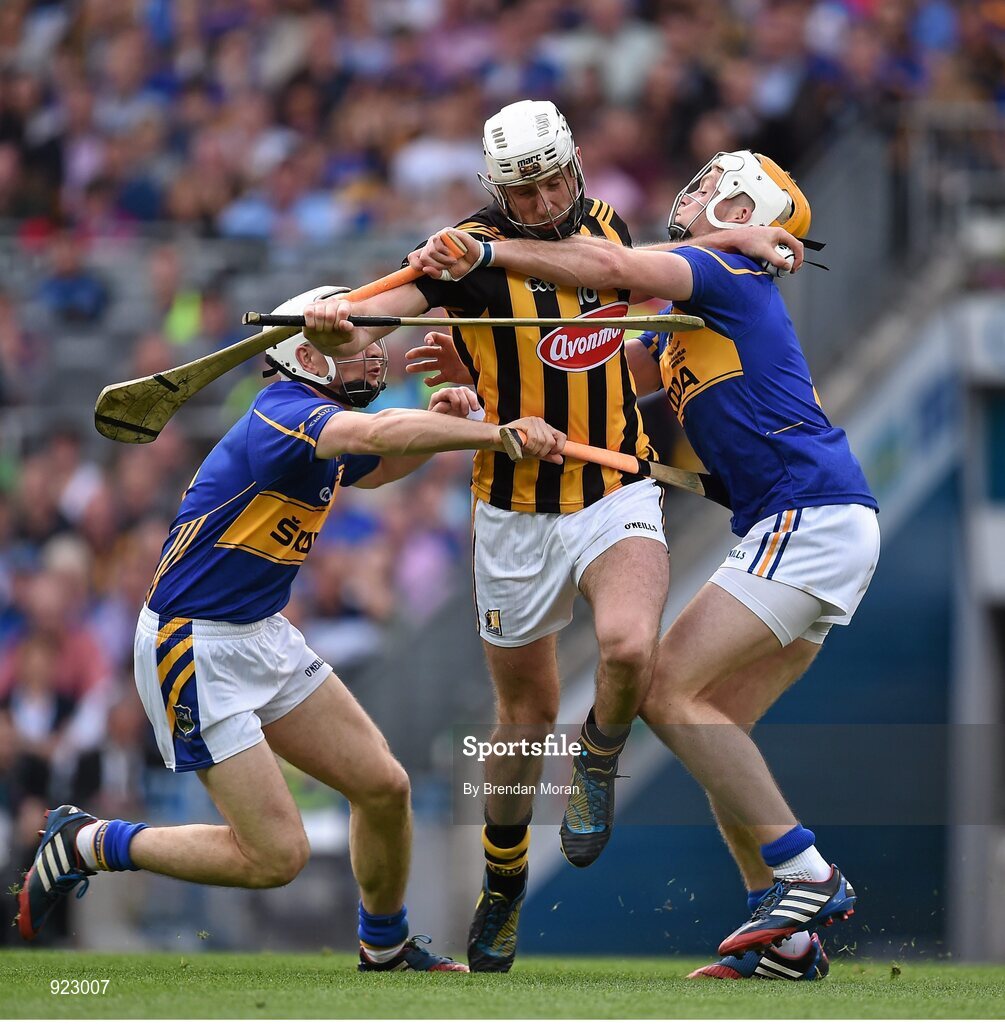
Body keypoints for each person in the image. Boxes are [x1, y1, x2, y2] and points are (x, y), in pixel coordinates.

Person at [302, 102, 798, 973]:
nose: (541, 205)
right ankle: (502, 881)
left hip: (612, 482)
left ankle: (598, 761)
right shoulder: (464, 248)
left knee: (627, 647)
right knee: (523, 717)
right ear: (496, 193)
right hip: (512, 509)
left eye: (553, 182)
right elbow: (395, 302)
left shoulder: (604, 222)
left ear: (574, 166)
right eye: (521, 194)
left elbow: (644, 276)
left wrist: (739, 244)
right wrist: (342, 321)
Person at [411, 150, 879, 983]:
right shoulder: (696, 316)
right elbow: (602, 397)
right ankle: (785, 942)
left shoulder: (714, 266)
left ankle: (806, 875)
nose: (691, 191)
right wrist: (487, 385)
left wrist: (489, 251)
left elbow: (609, 265)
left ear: (737, 209)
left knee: (663, 690)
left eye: (713, 186)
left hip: (808, 519)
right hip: (820, 526)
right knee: (712, 725)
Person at [17, 285, 564, 972]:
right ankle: (90, 842)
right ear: (306, 356)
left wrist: (435, 422)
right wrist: (492, 433)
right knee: (276, 857)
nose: (377, 362)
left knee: (383, 787)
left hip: (260, 632)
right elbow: (372, 435)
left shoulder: (321, 421)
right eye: (362, 350)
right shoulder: (283, 414)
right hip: (193, 645)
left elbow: (379, 464)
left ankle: (385, 945)